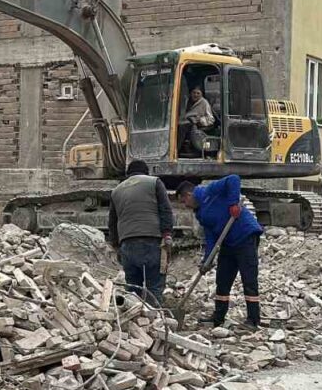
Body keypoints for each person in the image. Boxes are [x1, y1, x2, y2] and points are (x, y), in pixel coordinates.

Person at [176, 175, 264, 328]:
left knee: (249, 280)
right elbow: (211, 238)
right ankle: (218, 318)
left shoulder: (210, 191)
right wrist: (207, 261)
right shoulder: (201, 214)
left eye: (184, 201)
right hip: (228, 243)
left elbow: (234, 179)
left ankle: (253, 320)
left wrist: (232, 204)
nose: (185, 206)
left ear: (189, 195)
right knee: (222, 281)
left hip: (245, 237)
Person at [107, 160, 174, 306]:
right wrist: (167, 234)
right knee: (154, 287)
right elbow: (165, 209)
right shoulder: (154, 182)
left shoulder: (116, 190)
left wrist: (116, 246)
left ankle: (135, 322)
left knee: (132, 288)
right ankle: (155, 320)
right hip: (152, 241)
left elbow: (112, 222)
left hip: (127, 244)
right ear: (146, 172)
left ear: (128, 174)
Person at [182, 87, 215, 155]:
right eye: (194, 93)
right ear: (190, 93)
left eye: (198, 93)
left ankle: (194, 149)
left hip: (199, 126)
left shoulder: (204, 103)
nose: (195, 95)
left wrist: (200, 120)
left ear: (201, 94)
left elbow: (211, 119)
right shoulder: (186, 101)